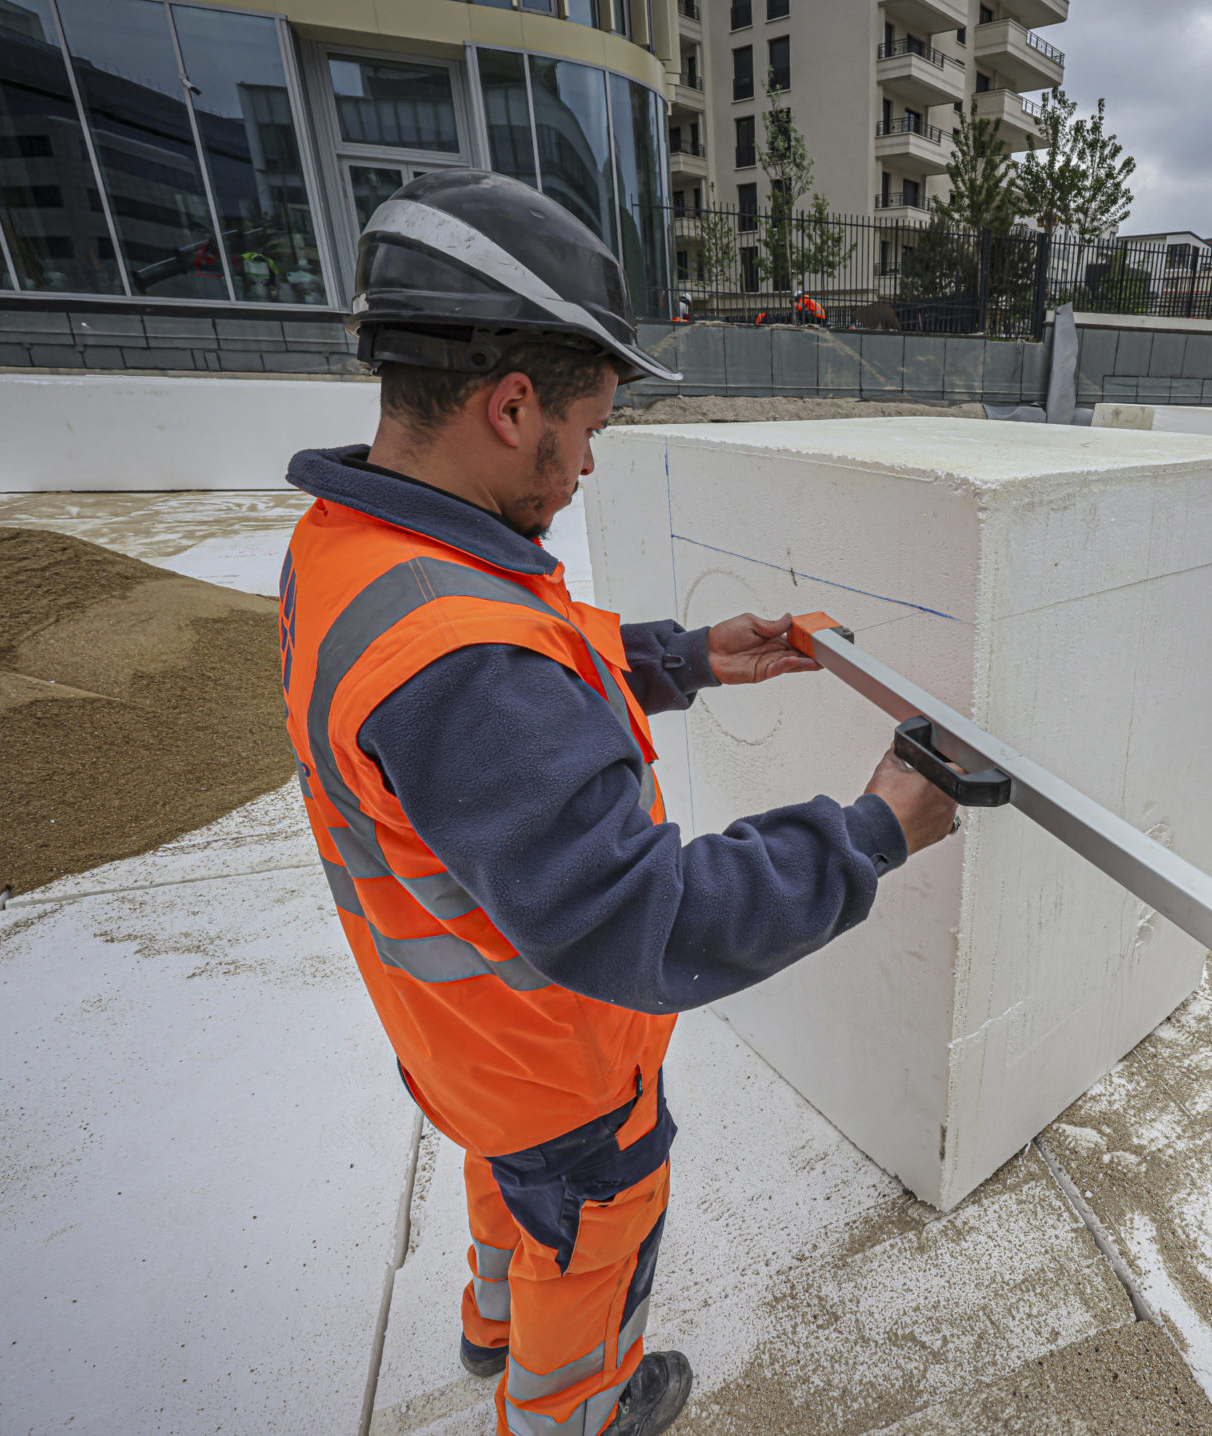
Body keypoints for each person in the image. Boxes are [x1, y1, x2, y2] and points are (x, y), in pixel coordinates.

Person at [277, 172, 958, 1436]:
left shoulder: (355, 550)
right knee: (588, 1230)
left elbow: (509, 679)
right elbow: (647, 918)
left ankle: (492, 1322)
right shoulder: (462, 662)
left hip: (471, 1043)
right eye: (586, 426)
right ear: (510, 405)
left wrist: (680, 657)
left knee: (510, 1179)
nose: (589, 462)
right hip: (557, 1068)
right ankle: (577, 1404)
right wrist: (870, 833)